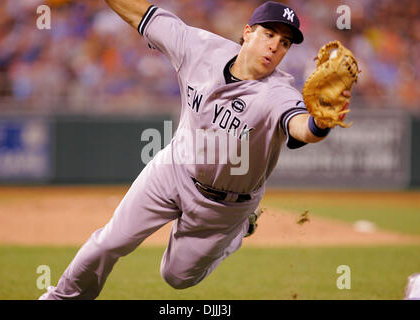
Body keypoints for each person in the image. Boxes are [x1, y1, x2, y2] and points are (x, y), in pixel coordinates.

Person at [39, 0, 352, 299]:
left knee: (175, 277)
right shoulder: (199, 47)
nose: (275, 46)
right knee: (108, 242)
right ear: (247, 32)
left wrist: (321, 124)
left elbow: (302, 128)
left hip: (225, 206)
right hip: (173, 169)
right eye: (269, 34)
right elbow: (140, 14)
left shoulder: (278, 94)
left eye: (285, 42)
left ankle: (240, 229)